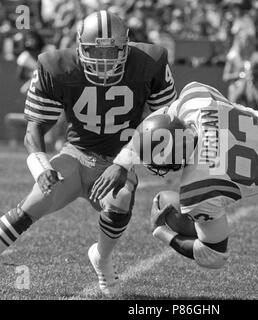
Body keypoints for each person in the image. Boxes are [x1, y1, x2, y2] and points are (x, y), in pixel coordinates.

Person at [112, 55, 258, 270]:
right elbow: (169, 113)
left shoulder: (199, 191)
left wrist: (161, 231)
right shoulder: (197, 100)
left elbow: (214, 256)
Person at [0, 10, 177, 295]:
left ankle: (102, 259)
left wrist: (125, 162)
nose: (104, 60)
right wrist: (41, 168)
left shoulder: (149, 63)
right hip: (76, 154)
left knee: (120, 195)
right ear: (81, 46)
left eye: (112, 52)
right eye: (96, 51)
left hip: (117, 158)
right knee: (32, 204)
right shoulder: (56, 66)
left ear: (126, 47)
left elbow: (165, 122)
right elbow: (34, 130)